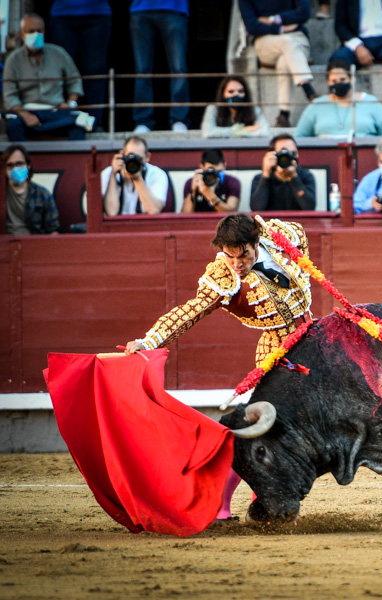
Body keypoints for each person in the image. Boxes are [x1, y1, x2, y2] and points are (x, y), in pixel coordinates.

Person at [123, 214, 313, 520]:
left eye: (244, 256)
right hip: (276, 351)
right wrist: (150, 340)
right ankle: (223, 506)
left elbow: (300, 234)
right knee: (266, 429)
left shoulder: (278, 236)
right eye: (229, 256)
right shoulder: (223, 276)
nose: (237, 264)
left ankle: (264, 500)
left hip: (313, 337)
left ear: (256, 243)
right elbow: (191, 311)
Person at [2, 13, 89, 142]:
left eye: (39, 31)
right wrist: (26, 115)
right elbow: (10, 96)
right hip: (27, 112)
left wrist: (71, 103)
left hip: (56, 111)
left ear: (44, 32)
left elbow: (74, 80)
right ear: (21, 34)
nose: (36, 34)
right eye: (31, 31)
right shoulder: (13, 60)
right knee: (13, 126)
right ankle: (22, 155)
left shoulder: (58, 53)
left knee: (79, 123)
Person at [238, 0, 320, 128]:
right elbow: (252, 26)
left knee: (284, 61)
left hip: (297, 38)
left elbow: (304, 13)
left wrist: (274, 19)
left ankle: (283, 115)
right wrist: (281, 28)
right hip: (266, 41)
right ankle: (308, 88)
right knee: (286, 41)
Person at [48, 0, 112, 130]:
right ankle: (60, 120)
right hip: (62, 14)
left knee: (95, 71)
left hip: (97, 13)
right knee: (60, 70)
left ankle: (95, 122)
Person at [129, 0, 190, 133]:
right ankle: (143, 121)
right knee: (142, 71)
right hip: (141, 9)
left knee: (179, 69)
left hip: (174, 8)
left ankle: (179, 119)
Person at [294, 60, 382, 138]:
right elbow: (299, 137)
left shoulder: (370, 102)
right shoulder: (317, 105)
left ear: (351, 79)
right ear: (328, 82)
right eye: (334, 81)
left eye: (343, 79)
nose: (339, 84)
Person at [102, 135, 170, 216]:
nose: (133, 162)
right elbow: (111, 212)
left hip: (145, 224)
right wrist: (113, 175)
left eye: (138, 159)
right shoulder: (107, 173)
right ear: (122, 154)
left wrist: (137, 178)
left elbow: (153, 210)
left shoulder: (157, 174)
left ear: (147, 157)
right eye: (130, 157)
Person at [3, 144, 60, 235]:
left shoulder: (43, 194)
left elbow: (54, 230)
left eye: (19, 164)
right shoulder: (2, 193)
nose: (15, 169)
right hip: (4, 242)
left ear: (28, 165)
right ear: (4, 169)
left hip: (34, 241)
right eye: (10, 165)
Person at [250, 133, 317, 211]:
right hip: (270, 219)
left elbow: (309, 207)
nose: (287, 157)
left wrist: (293, 177)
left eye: (292, 153)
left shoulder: (306, 176)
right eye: (282, 154)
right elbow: (256, 209)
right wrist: (266, 174)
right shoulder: (259, 178)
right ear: (272, 155)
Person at [201, 76, 270, 138]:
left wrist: (242, 133)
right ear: (223, 94)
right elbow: (207, 133)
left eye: (240, 91)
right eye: (231, 92)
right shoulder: (214, 109)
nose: (236, 94)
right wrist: (239, 130)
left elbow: (265, 132)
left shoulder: (253, 109)